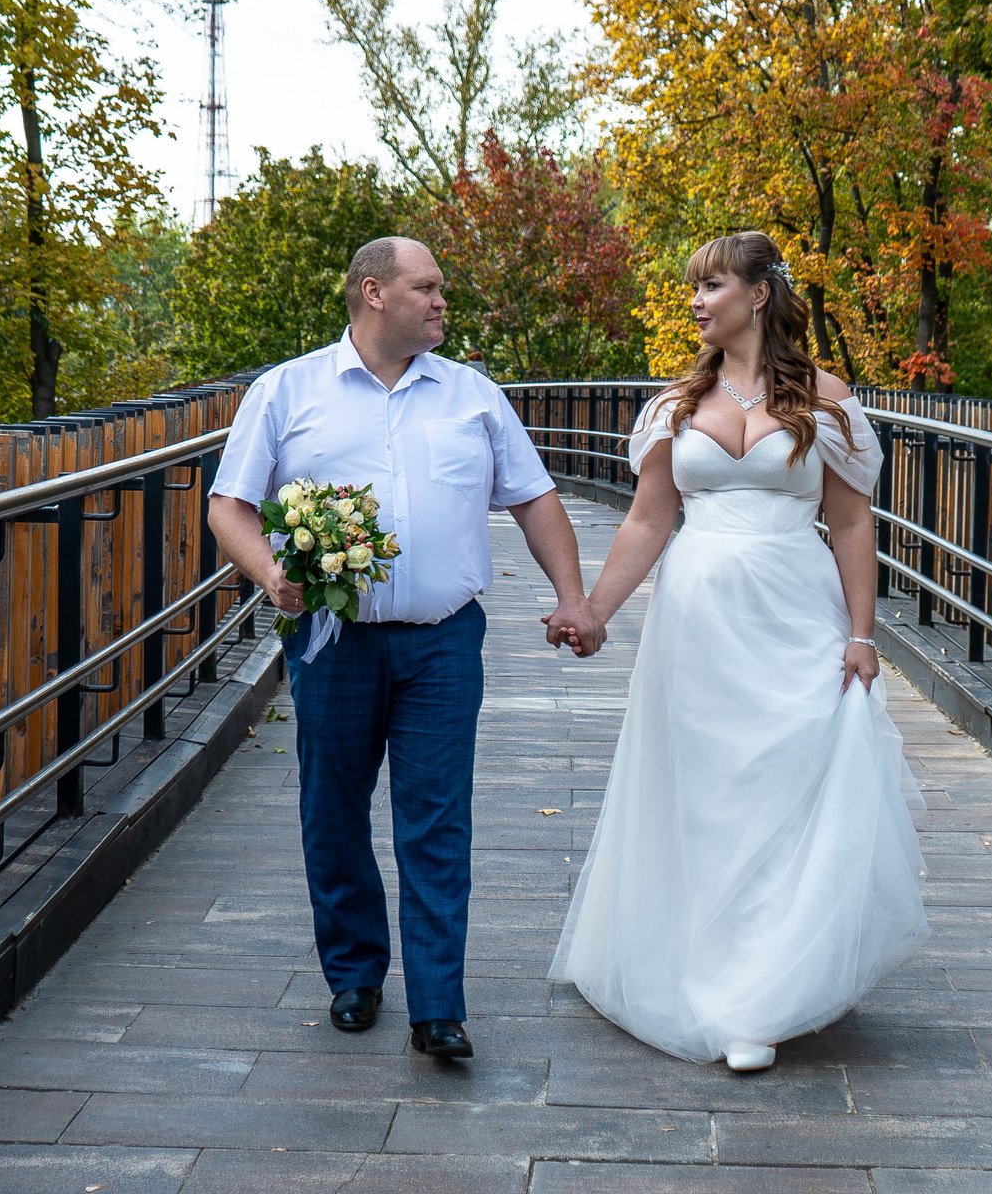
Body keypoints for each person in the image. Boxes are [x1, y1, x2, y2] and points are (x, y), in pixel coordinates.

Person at [209, 237, 605, 1059]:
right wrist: (270, 572)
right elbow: (229, 505)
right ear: (373, 292)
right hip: (332, 638)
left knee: (437, 817)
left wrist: (573, 595)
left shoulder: (473, 395)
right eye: (426, 287)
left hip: (443, 642)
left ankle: (437, 1004)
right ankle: (355, 973)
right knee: (333, 809)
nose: (440, 301)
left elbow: (534, 499)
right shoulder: (286, 391)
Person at [549, 231, 929, 1071]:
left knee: (782, 784)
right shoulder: (675, 404)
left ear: (758, 294)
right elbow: (649, 519)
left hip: (796, 612)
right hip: (696, 623)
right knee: (708, 790)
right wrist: (595, 610)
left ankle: (762, 992)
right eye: (694, 287)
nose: (696, 301)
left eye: (711, 285)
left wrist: (862, 635)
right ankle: (701, 968)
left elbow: (852, 522)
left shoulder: (825, 397)